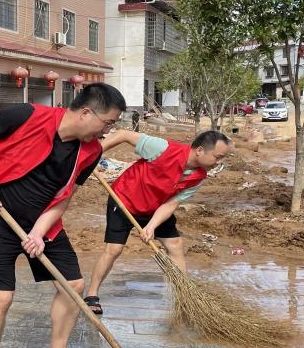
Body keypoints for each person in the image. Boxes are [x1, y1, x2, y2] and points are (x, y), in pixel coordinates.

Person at [0, 83, 127, 348]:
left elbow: (64, 198)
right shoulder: (26, 115)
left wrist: (38, 232)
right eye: (107, 123)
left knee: (73, 285)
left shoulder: (90, 151)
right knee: (2, 297)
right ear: (86, 113)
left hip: (43, 224)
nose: (108, 131)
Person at [84, 130, 231, 317]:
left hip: (156, 206)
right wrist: (90, 155)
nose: (219, 163)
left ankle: (184, 296)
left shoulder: (199, 177)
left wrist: (152, 225)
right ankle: (91, 295)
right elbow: (122, 134)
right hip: (125, 199)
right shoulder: (163, 148)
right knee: (114, 249)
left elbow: (172, 204)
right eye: (217, 157)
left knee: (175, 245)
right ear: (200, 150)